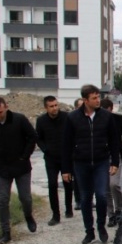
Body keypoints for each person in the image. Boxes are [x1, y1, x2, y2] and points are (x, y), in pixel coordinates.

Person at [62, 85, 120, 244]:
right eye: (94, 98)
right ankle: (89, 231)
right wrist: (66, 169)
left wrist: (115, 161)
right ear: (85, 100)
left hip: (101, 162)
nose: (98, 100)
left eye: (98, 97)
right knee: (86, 198)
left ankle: (101, 226)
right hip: (81, 163)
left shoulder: (106, 117)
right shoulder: (72, 118)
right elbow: (66, 144)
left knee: (101, 195)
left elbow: (114, 140)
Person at [0, 97, 38, 244]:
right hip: (2, 168)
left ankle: (28, 216)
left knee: (25, 197)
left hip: (21, 166)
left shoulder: (19, 119)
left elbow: (32, 137)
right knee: (2, 201)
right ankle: (6, 232)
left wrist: (24, 156)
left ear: (6, 107)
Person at [36, 95, 75, 226]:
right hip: (51, 158)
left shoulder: (66, 117)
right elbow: (38, 138)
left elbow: (73, 134)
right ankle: (55, 215)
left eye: (56, 105)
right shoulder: (41, 121)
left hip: (66, 157)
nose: (54, 108)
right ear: (46, 108)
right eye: (51, 106)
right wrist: (45, 149)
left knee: (68, 183)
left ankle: (69, 208)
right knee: (52, 185)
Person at [100, 98, 122, 227]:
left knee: (113, 184)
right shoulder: (96, 120)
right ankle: (111, 214)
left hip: (116, 156)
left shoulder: (118, 119)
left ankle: (119, 207)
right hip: (101, 157)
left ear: (110, 109)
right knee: (105, 187)